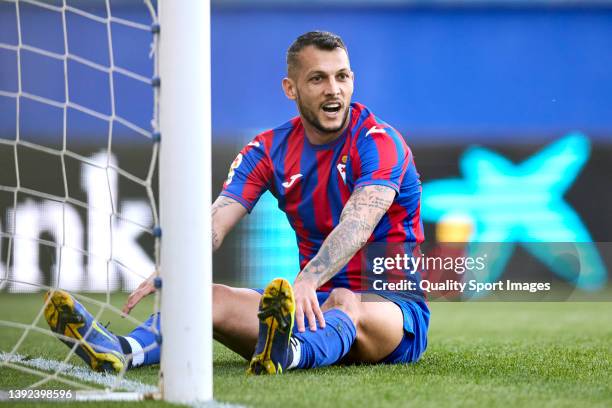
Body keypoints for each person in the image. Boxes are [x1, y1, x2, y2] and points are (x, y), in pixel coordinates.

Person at [44, 31, 429, 374]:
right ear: (290, 89)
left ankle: (288, 352)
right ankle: (122, 351)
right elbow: (216, 221)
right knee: (208, 297)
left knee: (344, 299)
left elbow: (358, 223)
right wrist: (177, 266)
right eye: (318, 78)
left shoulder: (379, 141)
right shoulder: (266, 149)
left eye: (342, 76)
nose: (334, 89)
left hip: (390, 310)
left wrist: (308, 279)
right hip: (311, 304)